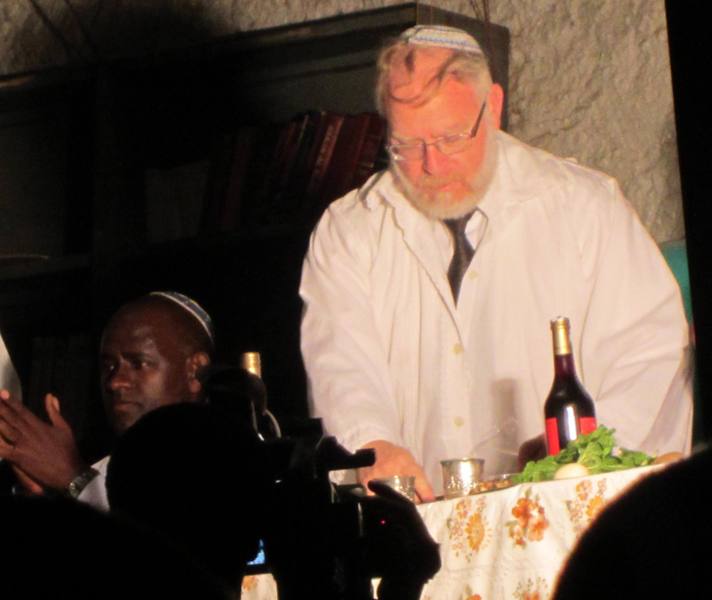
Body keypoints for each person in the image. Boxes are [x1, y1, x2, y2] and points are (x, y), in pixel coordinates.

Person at [299, 25, 693, 501]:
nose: (432, 166)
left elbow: (648, 357)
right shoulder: (349, 232)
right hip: (423, 529)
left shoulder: (585, 207)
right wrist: (373, 443)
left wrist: (576, 462)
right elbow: (343, 368)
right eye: (406, 145)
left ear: (495, 108)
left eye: (450, 137)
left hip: (570, 524)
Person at [0, 291, 214, 509]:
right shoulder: (105, 470)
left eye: (139, 363)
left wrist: (75, 479)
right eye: (108, 366)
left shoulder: (232, 460)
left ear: (194, 371)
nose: (114, 382)